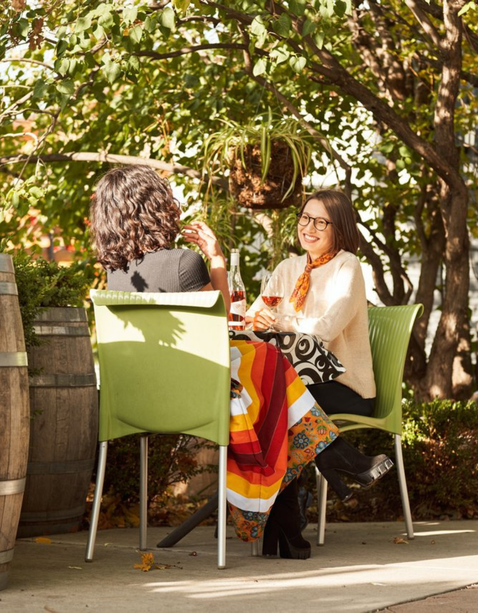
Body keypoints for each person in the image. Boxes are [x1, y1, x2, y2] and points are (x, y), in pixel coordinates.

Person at [89, 165, 392, 559]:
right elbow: (221, 328)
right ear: (155, 209)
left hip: (139, 402)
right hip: (204, 400)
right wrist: (214, 257)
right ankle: (333, 460)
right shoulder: (185, 263)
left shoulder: (115, 277)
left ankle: (287, 530)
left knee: (264, 372)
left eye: (322, 222)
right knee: (265, 370)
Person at [247, 190, 378, 452]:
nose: (309, 227)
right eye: (305, 218)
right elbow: (253, 317)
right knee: (256, 394)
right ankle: (346, 463)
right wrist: (259, 321)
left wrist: (280, 321)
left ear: (338, 228)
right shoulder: (287, 267)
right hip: (298, 381)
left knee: (272, 400)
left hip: (345, 386)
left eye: (321, 222)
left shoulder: (347, 266)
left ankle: (283, 493)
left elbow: (325, 329)